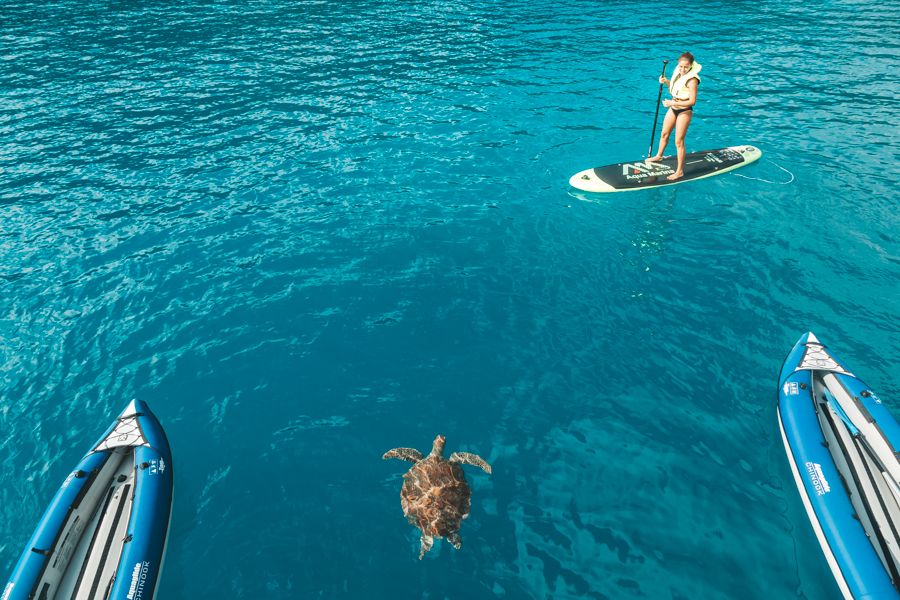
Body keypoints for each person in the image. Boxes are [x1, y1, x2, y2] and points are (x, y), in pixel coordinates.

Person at [647, 52, 701, 180]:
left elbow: (692, 101)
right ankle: (659, 155)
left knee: (678, 141)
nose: (682, 70)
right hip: (673, 108)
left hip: (684, 111)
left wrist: (672, 102)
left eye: (686, 67)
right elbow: (676, 89)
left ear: (691, 66)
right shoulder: (678, 73)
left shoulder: (693, 80)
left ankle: (679, 171)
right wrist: (666, 81)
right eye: (681, 66)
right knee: (664, 134)